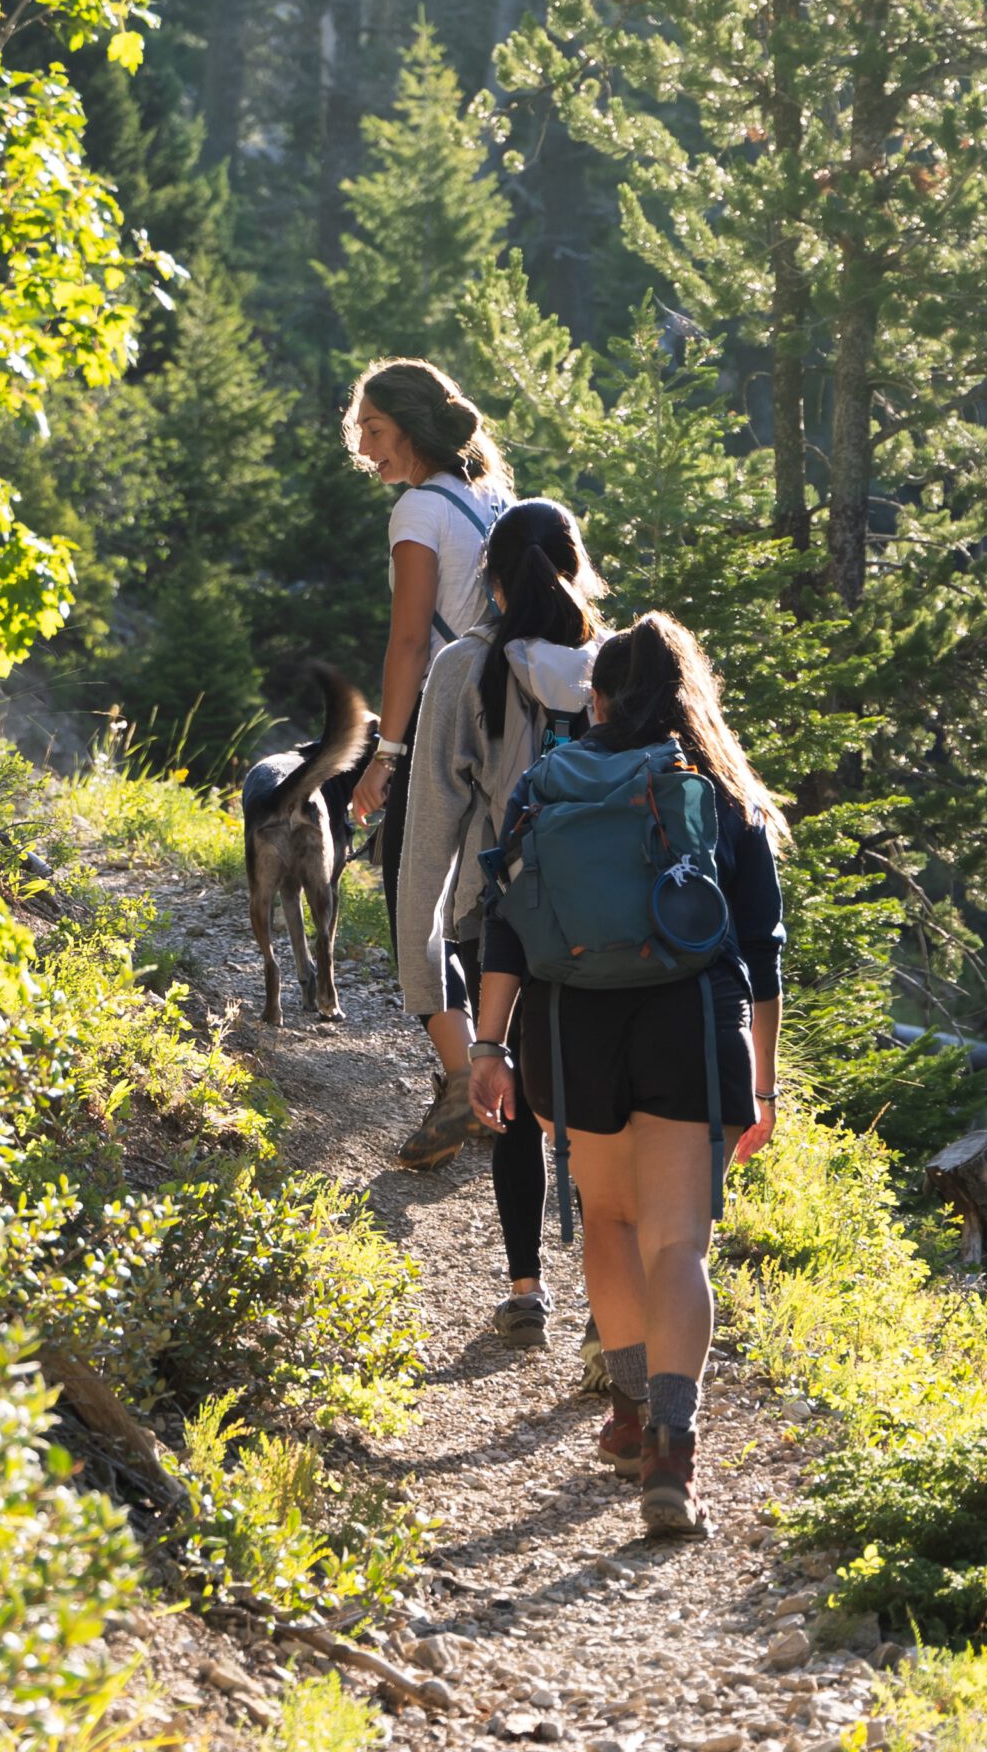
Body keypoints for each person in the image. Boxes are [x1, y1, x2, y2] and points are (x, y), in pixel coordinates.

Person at [466, 613, 785, 1537]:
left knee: (605, 1219)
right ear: (691, 695)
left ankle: (630, 1412)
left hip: (573, 1028)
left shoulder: (546, 781)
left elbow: (506, 924)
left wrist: (489, 1049)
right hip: (689, 1021)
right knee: (677, 1242)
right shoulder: (719, 790)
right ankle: (674, 1457)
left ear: (596, 695)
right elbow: (761, 955)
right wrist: (761, 1087)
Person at [395, 497, 604, 1345]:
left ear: (488, 576)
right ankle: (607, 1305)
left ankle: (526, 1290)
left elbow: (433, 830)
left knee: (508, 1093)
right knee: (595, 1105)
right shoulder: (611, 666)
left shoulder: (465, 668)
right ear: (577, 564)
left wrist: (422, 960)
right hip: (602, 923)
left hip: (500, 924)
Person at [342, 358, 513, 1167]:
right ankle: (498, 1077)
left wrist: (387, 755)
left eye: (373, 431)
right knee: (481, 909)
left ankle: (460, 1086)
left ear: (408, 428)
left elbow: (410, 641)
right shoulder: (492, 501)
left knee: (419, 909)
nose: (365, 447)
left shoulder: (416, 511)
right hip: (507, 727)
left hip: (442, 727)